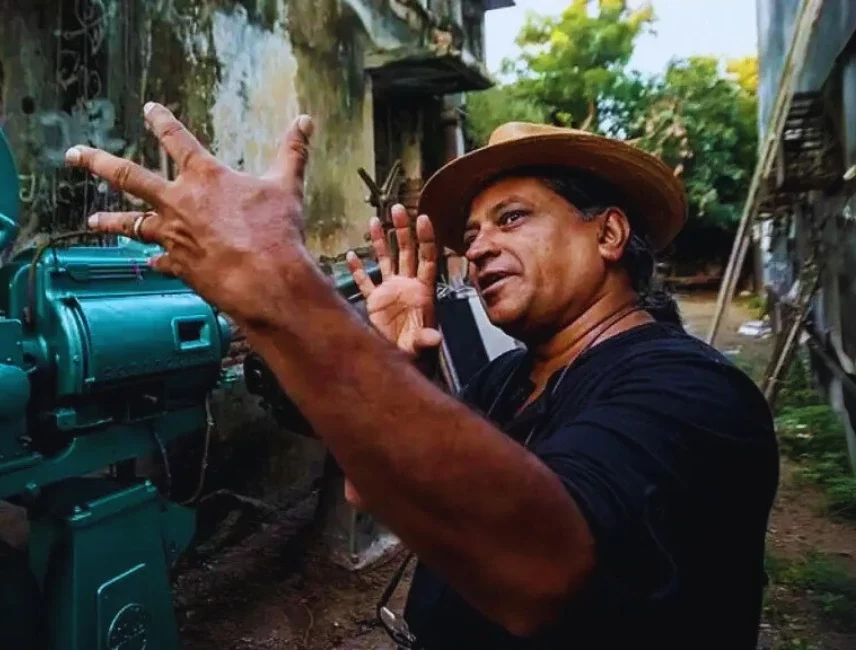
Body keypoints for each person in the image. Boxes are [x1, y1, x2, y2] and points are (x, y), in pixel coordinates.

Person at [64, 106, 780, 649]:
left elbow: (538, 565)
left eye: (512, 218)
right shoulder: (509, 381)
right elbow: (375, 487)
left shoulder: (692, 392)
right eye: (471, 236)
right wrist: (398, 370)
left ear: (609, 234)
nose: (482, 248)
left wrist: (285, 290)